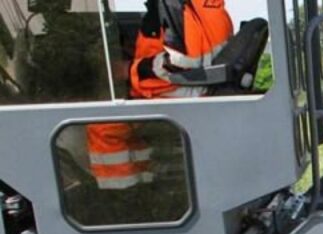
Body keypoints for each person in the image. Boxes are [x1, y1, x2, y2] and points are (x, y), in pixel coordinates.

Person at [86, 0, 233, 192]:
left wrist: (129, 69)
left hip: (178, 94)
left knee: (102, 128)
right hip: (189, 91)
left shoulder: (174, 6)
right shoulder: (206, 7)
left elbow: (182, 64)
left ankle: (120, 196)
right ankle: (145, 183)